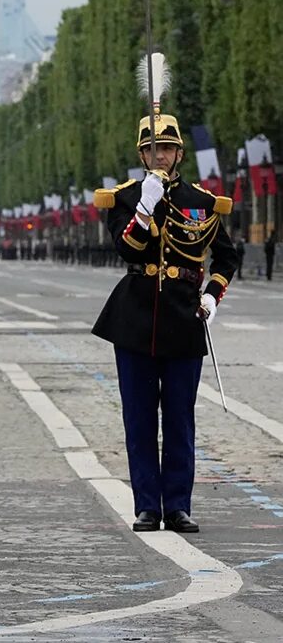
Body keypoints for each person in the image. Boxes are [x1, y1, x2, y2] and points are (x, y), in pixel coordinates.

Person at [92, 52, 237, 535]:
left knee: (179, 419)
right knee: (138, 419)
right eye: (153, 149)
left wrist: (212, 297)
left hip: (182, 316)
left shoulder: (202, 201)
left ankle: (177, 504)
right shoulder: (125, 198)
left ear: (179, 154)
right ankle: (146, 506)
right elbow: (125, 246)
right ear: (142, 154)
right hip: (134, 316)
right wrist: (147, 202)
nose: (161, 156)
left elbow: (228, 257)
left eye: (168, 149)